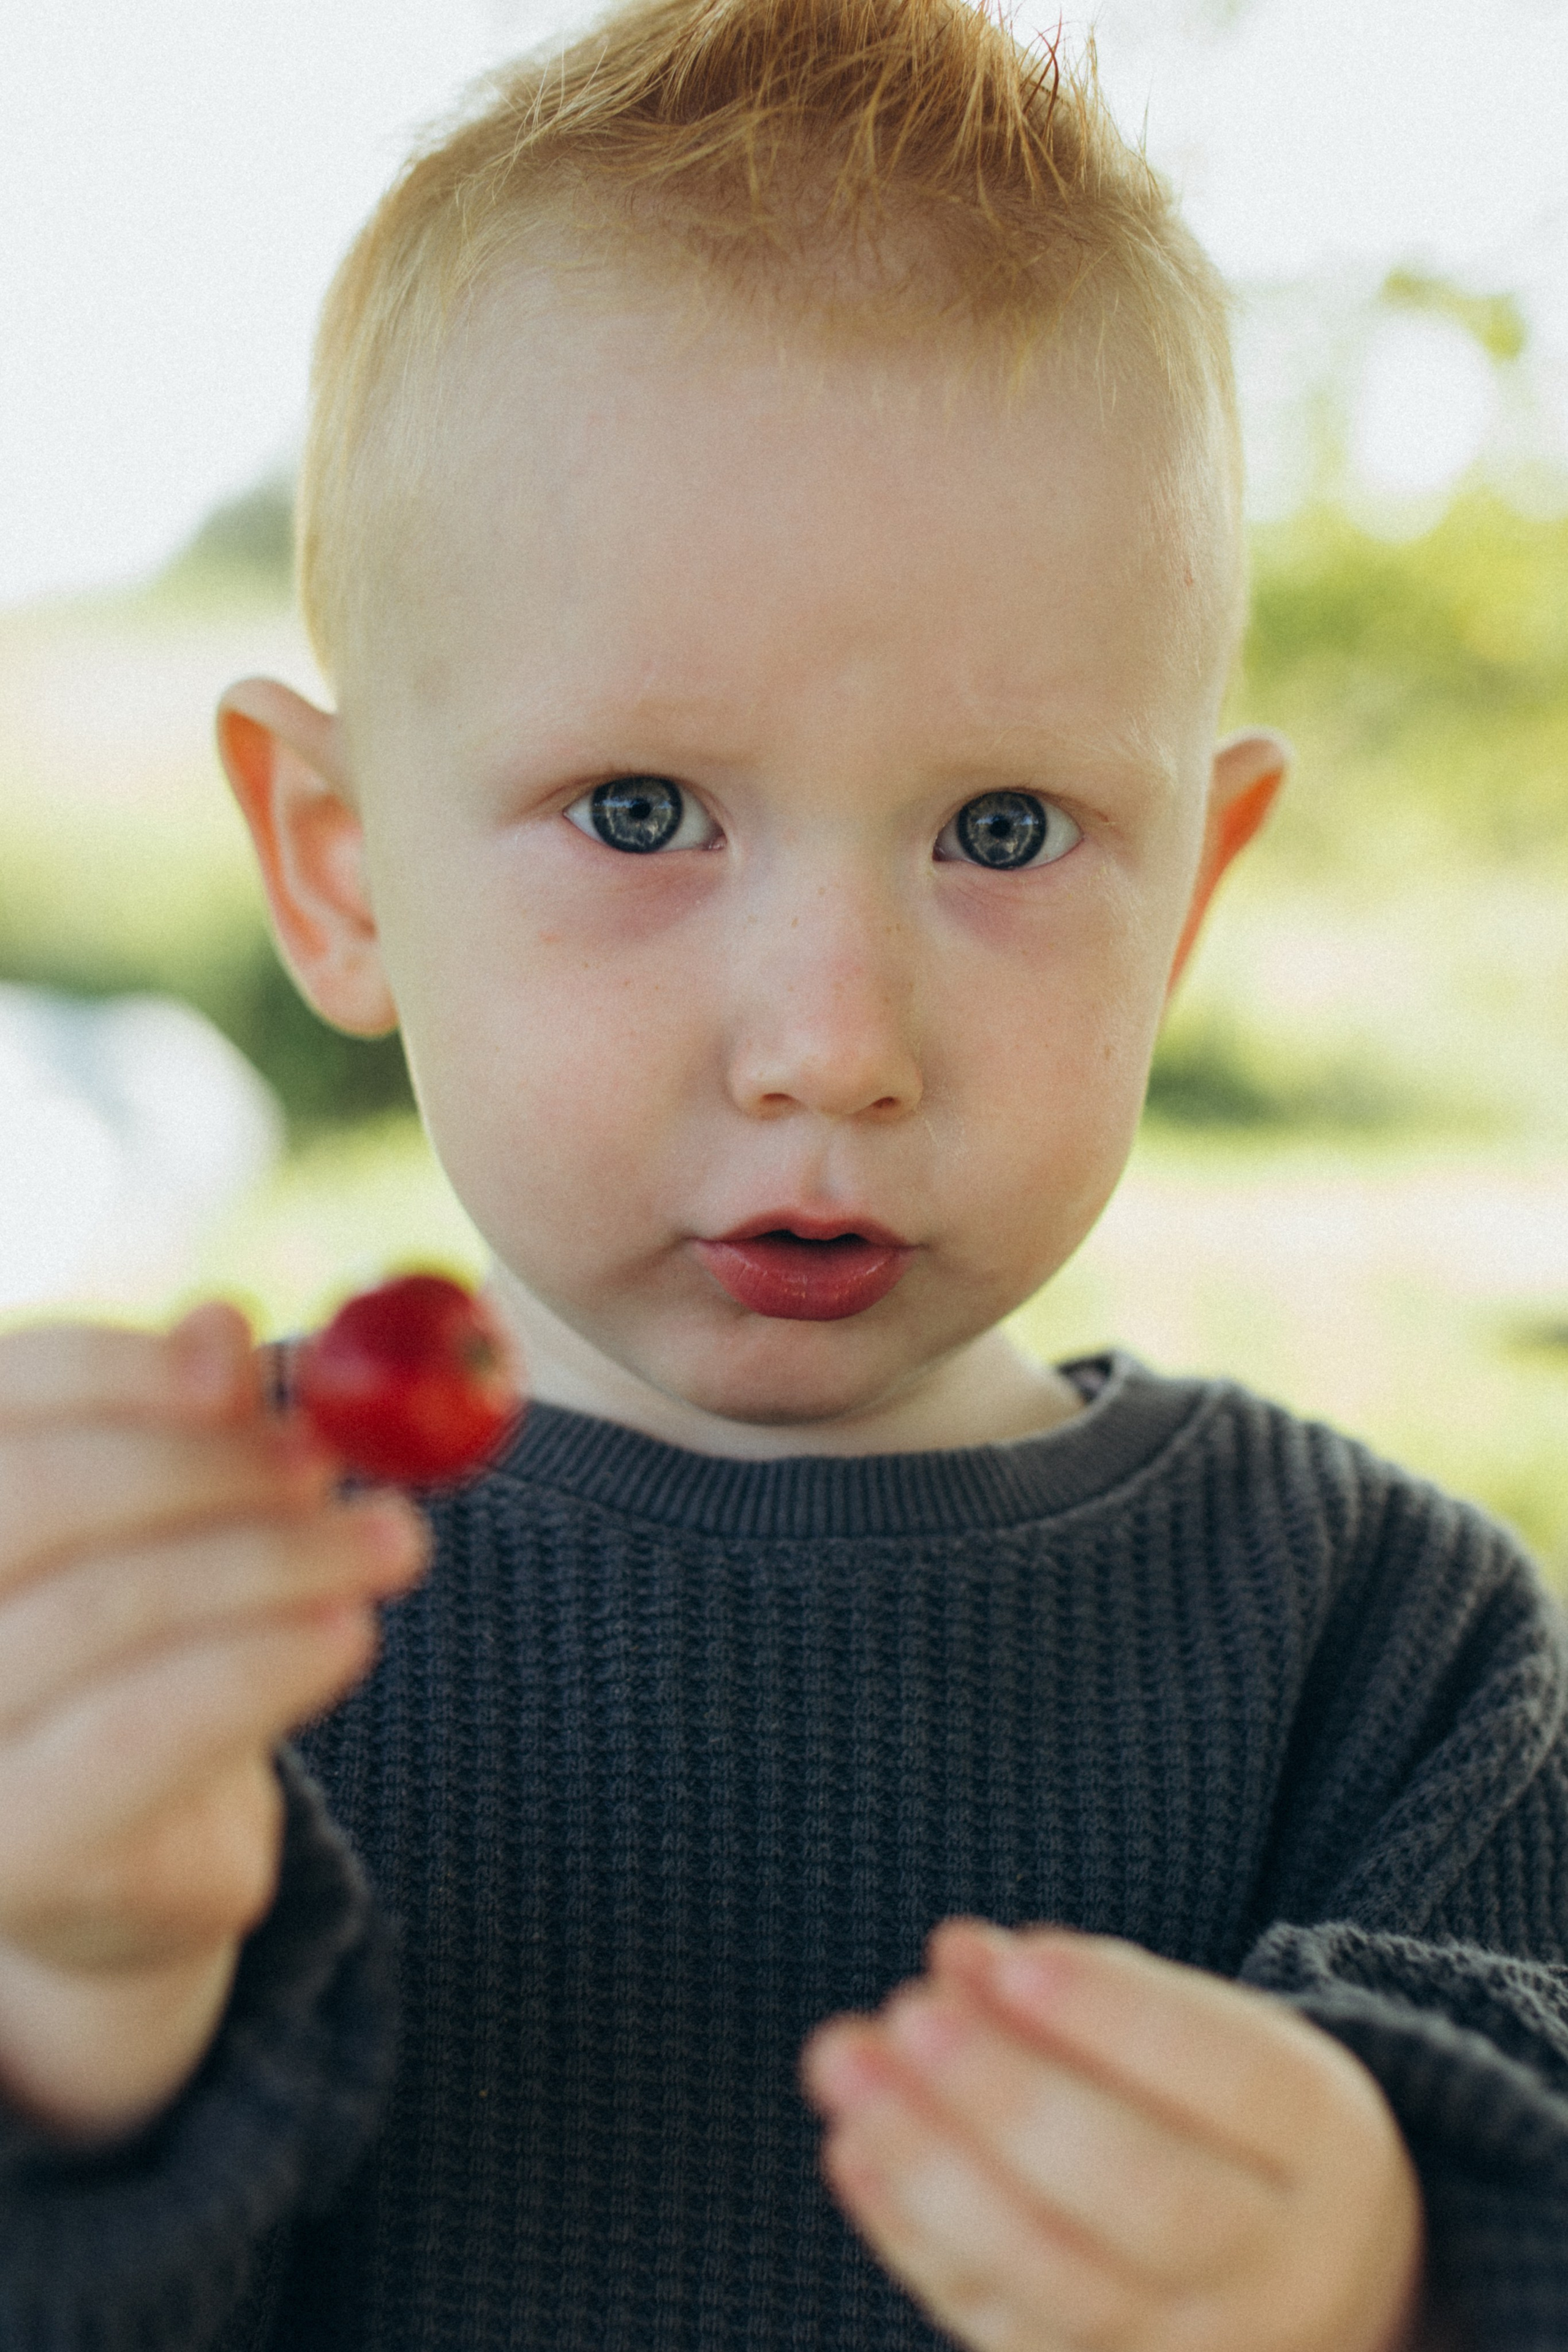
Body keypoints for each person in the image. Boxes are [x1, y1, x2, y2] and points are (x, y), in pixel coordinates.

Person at [1, 0, 1564, 2343]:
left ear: (1192, 901)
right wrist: (75, 2004)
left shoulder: (1393, 1653)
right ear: (336, 865)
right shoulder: (161, 1626)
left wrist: (1391, 2265)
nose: (835, 1042)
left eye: (1006, 832)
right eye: (641, 813)